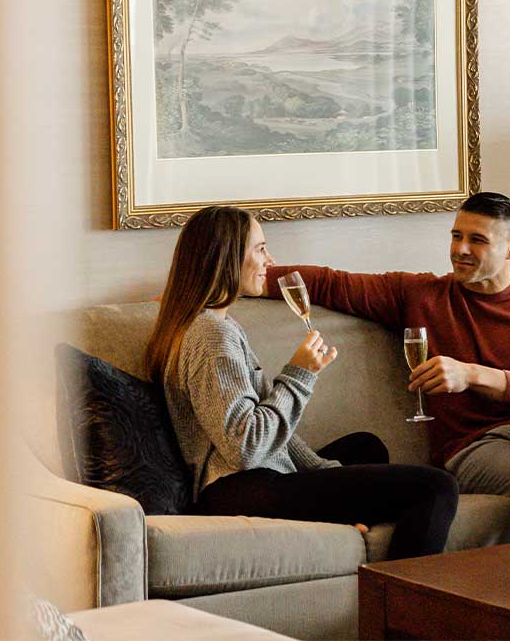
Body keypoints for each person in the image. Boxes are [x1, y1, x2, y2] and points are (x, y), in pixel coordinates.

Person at [264, 192, 510, 533]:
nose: (460, 249)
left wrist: (470, 375)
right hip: (480, 450)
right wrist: (242, 277)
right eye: (456, 236)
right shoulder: (422, 294)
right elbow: (329, 283)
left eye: (477, 240)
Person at [144, 206, 457, 560]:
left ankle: (343, 515)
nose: (270, 260)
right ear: (228, 258)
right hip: (240, 489)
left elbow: (275, 437)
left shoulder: (214, 324)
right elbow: (245, 447)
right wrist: (299, 374)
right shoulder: (211, 335)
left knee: (365, 448)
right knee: (437, 487)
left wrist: (326, 473)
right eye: (261, 249)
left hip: (248, 480)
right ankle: (397, 594)